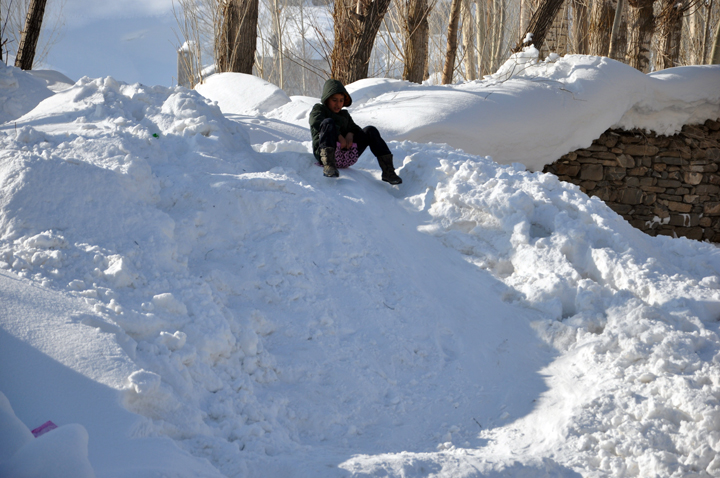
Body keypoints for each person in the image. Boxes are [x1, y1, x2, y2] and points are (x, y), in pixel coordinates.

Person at [309, 79, 402, 184]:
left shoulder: (344, 115)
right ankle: (329, 167)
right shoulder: (319, 109)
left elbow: (355, 128)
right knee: (328, 122)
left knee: (370, 130)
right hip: (326, 157)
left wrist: (350, 134)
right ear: (326, 99)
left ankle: (388, 172)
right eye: (334, 100)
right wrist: (339, 136)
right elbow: (316, 121)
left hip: (348, 156)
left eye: (341, 100)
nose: (338, 104)